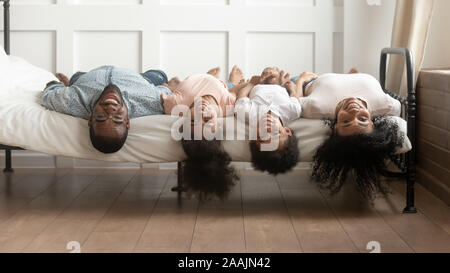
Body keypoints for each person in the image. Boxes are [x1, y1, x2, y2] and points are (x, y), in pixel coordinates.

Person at [295, 69, 404, 198]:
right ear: (372, 123)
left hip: (311, 81)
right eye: (363, 120)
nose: (354, 112)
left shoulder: (315, 107)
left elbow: (293, 101)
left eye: (346, 121)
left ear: (335, 127)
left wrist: (300, 80)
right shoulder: (388, 105)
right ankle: (352, 75)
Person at [41, 66, 177, 153]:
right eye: (118, 118)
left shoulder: (71, 101)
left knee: (77, 76)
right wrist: (169, 87)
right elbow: (165, 92)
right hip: (139, 78)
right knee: (159, 74)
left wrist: (60, 86)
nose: (110, 110)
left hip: (88, 76)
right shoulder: (151, 103)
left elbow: (48, 93)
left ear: (90, 120)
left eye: (100, 117)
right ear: (127, 121)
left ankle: (70, 81)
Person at [165, 66, 244, 200]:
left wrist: (170, 87)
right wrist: (248, 84)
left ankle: (213, 78)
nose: (201, 113)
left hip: (192, 84)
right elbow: (238, 93)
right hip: (218, 87)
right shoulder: (228, 107)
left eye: (193, 120)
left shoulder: (174, 105)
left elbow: (163, 92)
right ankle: (230, 81)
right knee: (230, 87)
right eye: (207, 120)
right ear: (219, 124)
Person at [233, 66, 301, 175]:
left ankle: (237, 81)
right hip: (280, 88)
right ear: (287, 131)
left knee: (238, 88)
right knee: (283, 79)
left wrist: (251, 84)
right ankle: (279, 79)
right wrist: (292, 88)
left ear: (254, 137)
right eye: (275, 133)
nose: (267, 129)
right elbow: (295, 97)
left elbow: (242, 96)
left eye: (261, 137)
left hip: (259, 86)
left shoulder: (246, 113)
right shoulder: (293, 111)